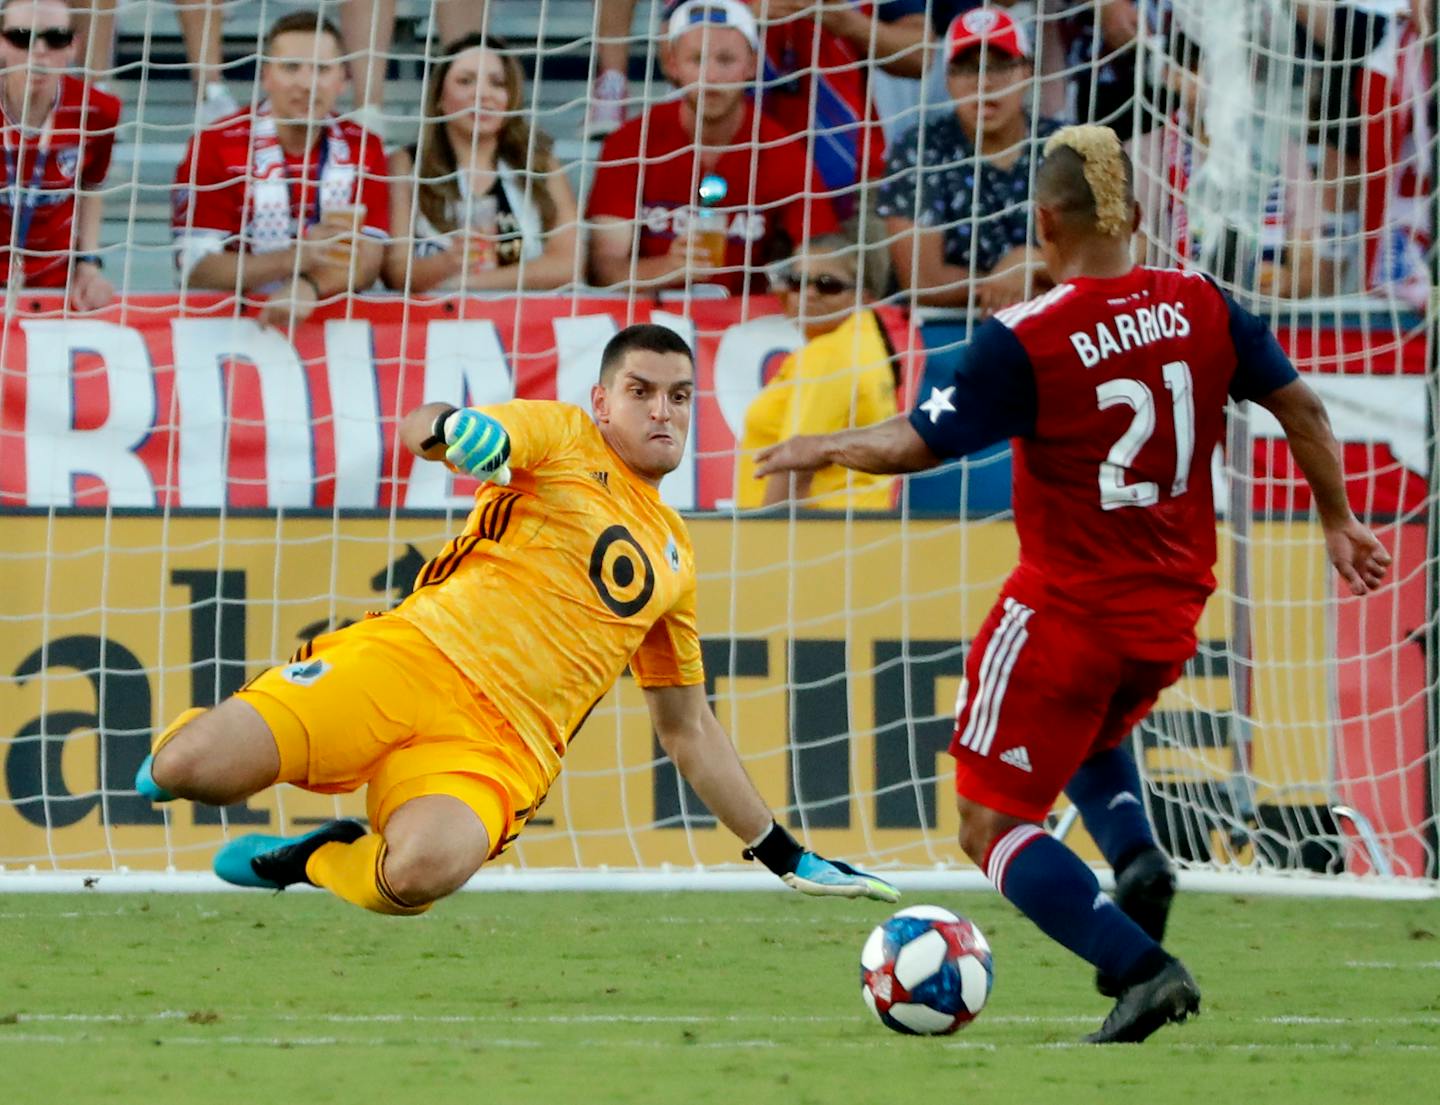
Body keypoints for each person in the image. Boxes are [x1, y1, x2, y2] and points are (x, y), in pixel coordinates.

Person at [755, 124, 1391, 1043]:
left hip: (1065, 611)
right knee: (1090, 731)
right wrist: (1336, 518)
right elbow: (1300, 403)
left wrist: (823, 446)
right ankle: (1136, 859)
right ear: (1134, 215)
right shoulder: (1202, 302)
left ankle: (1143, 966)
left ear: (1043, 222)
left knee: (987, 820)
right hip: (1171, 614)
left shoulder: (1029, 337)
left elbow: (916, 443)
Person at [135, 323, 901, 917]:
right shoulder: (563, 436)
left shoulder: (676, 558)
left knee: (418, 873)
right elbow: (424, 423)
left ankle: (314, 860)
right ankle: (188, 738)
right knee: (183, 772)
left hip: (504, 743)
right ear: (604, 402)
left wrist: (784, 853)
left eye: (678, 396)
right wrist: (459, 429)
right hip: (411, 656)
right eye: (641, 391)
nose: (661, 409)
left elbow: (688, 729)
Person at [587, 0, 840, 295]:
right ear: (672, 64)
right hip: (647, 319)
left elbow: (824, 257)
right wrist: (668, 267)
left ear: (751, 65)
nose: (712, 77)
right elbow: (605, 269)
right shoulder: (630, 141)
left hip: (744, 323)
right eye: (697, 59)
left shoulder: (779, 147)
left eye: (726, 60)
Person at [171, 10, 389, 329]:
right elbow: (195, 268)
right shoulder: (215, 143)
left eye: (321, 69)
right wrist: (296, 258)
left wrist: (308, 287)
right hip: (230, 329)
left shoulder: (364, 145)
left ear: (343, 80)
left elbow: (369, 261)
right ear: (266, 76)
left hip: (333, 330)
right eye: (291, 68)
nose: (306, 83)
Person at [876, 8, 1061, 313]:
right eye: (967, 69)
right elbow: (923, 281)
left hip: (1051, 323)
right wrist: (1009, 281)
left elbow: (1126, 250)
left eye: (1000, 66)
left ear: (1028, 71)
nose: (984, 83)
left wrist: (1031, 262)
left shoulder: (1064, 146)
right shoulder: (919, 150)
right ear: (947, 79)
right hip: (941, 329)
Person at [1127, 29, 1331, 299]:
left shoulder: (1285, 153)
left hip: (1264, 319)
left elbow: (1310, 264)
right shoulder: (1145, 153)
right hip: (1175, 317)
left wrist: (1288, 281)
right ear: (1173, 76)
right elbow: (1130, 257)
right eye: (1206, 71)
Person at [382, 33, 579, 294]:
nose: (483, 95)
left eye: (497, 83)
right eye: (466, 81)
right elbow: (396, 272)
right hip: (435, 323)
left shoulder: (540, 163)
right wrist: (446, 263)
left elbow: (568, 266)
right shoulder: (406, 164)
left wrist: (467, 284)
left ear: (511, 97)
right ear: (439, 97)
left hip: (524, 324)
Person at [735, 230, 899, 509]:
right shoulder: (868, 337)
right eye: (797, 282)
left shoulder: (827, 356)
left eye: (827, 285)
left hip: (818, 533)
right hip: (863, 522)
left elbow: (793, 466)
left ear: (864, 295)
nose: (808, 294)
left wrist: (761, 540)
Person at [0, 0, 118, 309]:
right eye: (22, 38)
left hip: (58, 287)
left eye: (55, 39)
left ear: (73, 48)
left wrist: (89, 263)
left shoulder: (98, 111)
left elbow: (92, 185)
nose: (38, 51)